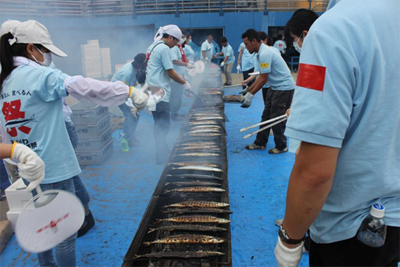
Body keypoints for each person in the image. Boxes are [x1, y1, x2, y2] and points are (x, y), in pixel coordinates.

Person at [0, 20, 148, 267]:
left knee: (42, 228)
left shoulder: (6, 80)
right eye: (45, 50)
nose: (46, 56)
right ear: (30, 49)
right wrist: (128, 92)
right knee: (63, 233)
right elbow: (82, 86)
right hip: (52, 166)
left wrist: (14, 160)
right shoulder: (40, 75)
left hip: (27, 168)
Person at [274, 1, 400, 266]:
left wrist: (290, 238)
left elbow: (314, 172)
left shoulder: (329, 31)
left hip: (350, 227)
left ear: (301, 37)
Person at [240, 29, 295, 154]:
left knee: (276, 117)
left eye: (247, 44)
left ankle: (281, 146)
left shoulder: (265, 53)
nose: (245, 47)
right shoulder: (260, 53)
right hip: (275, 87)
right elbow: (260, 75)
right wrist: (249, 90)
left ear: (254, 41)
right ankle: (260, 143)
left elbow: (264, 79)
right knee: (266, 115)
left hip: (284, 88)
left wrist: (250, 95)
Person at [146, 25, 191, 164]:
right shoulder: (164, 48)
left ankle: (162, 151)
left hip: (152, 89)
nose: (175, 46)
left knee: (158, 124)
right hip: (160, 91)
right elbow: (170, 71)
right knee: (163, 125)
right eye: (175, 42)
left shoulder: (152, 46)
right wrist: (184, 83)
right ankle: (162, 156)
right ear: (170, 37)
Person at [111, 53, 146, 145]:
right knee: (130, 116)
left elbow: (133, 85)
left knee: (136, 115)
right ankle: (127, 139)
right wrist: (131, 105)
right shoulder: (128, 73)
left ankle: (130, 135)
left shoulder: (135, 69)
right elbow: (122, 90)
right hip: (118, 94)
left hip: (126, 92)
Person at [170, 32, 192, 121]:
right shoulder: (174, 48)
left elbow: (180, 59)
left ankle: (175, 113)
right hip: (176, 77)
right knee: (175, 96)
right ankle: (174, 115)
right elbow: (174, 60)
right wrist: (186, 64)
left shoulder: (179, 48)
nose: (183, 39)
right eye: (181, 37)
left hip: (180, 76)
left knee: (178, 96)